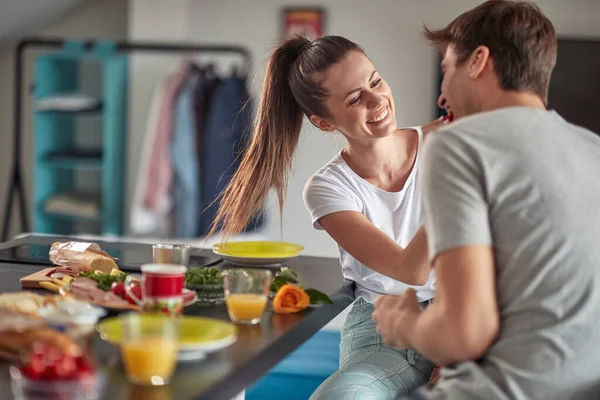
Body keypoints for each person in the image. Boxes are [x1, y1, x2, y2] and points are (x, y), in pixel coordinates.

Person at [371, 1, 600, 399]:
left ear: (478, 61)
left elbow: (464, 334)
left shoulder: (458, 144)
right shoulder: (592, 149)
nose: (442, 97)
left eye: (446, 71)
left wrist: (401, 324)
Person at [209, 34, 448, 399]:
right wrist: (463, 188)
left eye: (376, 81)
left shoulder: (446, 141)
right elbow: (409, 269)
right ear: (323, 122)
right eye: (355, 98)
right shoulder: (328, 188)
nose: (376, 99)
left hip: (455, 317)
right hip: (381, 331)